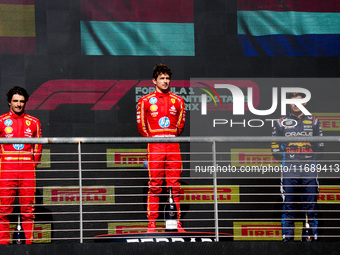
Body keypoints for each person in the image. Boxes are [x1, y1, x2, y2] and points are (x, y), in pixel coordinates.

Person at [137, 64, 186, 233]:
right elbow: (142, 127)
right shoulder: (144, 101)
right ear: (154, 81)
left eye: (167, 78)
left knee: (175, 185)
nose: (165, 81)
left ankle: (176, 224)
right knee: (155, 184)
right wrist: (154, 139)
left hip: (173, 145)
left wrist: (169, 137)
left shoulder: (178, 101)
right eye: (162, 78)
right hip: (155, 146)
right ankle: (152, 225)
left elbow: (180, 127)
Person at [271, 92, 323, 242]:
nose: (296, 104)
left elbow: (320, 145)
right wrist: (288, 159)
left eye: (299, 102)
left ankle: (310, 241)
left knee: (311, 206)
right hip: (289, 168)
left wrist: (308, 157)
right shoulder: (280, 122)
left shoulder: (314, 121)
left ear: (305, 103)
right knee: (289, 206)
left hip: (309, 168)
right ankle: (288, 243)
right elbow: (274, 146)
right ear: (289, 103)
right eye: (293, 102)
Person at [0, 86, 42, 244]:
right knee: (3, 210)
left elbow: (38, 148)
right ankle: (2, 245)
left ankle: (29, 245)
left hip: (27, 171)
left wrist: (32, 166)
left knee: (28, 211)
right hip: (6, 170)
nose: (18, 104)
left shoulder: (34, 122)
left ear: (25, 103)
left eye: (21, 101)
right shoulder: (1, 121)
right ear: (9, 102)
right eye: (15, 101)